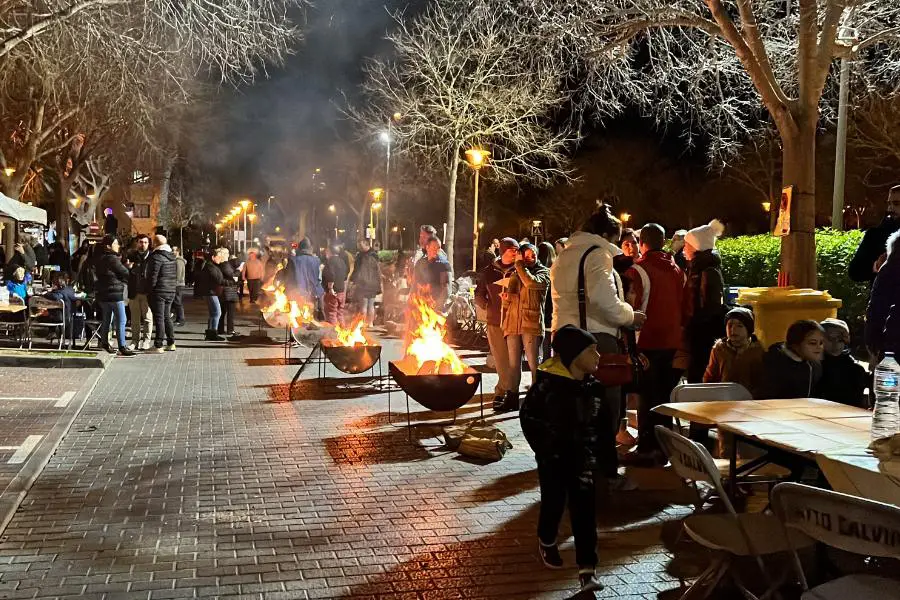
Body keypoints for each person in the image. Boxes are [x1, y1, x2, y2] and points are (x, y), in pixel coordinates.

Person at [550, 206, 646, 491]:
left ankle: (576, 468)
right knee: (606, 408)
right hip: (595, 340)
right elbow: (606, 302)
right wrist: (631, 315)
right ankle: (606, 474)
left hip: (566, 338)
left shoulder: (565, 254)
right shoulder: (597, 254)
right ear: (606, 235)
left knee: (575, 409)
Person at [519, 325, 605, 594]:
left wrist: (604, 459)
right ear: (574, 355)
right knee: (554, 503)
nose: (599, 356)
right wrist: (546, 448)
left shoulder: (595, 388)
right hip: (554, 460)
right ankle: (546, 539)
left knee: (585, 513)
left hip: (583, 461)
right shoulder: (547, 386)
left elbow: (602, 426)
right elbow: (528, 418)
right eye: (592, 350)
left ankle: (587, 568)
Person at [621, 224, 684, 463]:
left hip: (646, 340)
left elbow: (630, 307)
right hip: (672, 341)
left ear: (643, 242)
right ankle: (665, 446)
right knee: (664, 396)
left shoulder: (638, 271)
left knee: (647, 397)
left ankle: (648, 449)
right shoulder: (677, 269)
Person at [499, 243, 551, 412]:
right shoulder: (515, 273)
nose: (530, 258)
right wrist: (506, 298)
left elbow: (531, 284)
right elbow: (511, 299)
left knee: (534, 364)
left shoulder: (543, 273)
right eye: (525, 255)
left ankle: (537, 400)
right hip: (513, 324)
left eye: (532, 255)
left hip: (531, 323)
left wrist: (520, 265)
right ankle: (512, 398)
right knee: (513, 364)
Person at [475, 238, 518, 408]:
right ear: (503, 252)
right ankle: (501, 392)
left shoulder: (519, 270)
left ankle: (509, 391)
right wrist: (488, 306)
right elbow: (479, 293)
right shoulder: (489, 272)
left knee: (513, 360)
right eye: (511, 250)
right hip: (495, 322)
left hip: (515, 321)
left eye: (516, 250)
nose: (515, 253)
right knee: (501, 359)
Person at [682, 219, 726, 383]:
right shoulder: (699, 268)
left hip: (703, 334)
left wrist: (694, 325)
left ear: (696, 246)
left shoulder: (707, 271)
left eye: (687, 244)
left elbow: (709, 306)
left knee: (699, 371)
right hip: (698, 331)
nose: (684, 248)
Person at [703, 307, 765, 396]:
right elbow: (710, 377)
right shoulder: (719, 349)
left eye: (739, 326)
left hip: (750, 401)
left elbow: (762, 382)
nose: (733, 330)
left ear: (748, 329)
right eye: (730, 325)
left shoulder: (758, 350)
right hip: (724, 399)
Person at [93, 235, 135, 356]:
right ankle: (122, 346)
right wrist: (129, 269)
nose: (118, 246)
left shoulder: (99, 258)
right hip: (114, 292)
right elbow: (124, 272)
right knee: (122, 319)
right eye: (115, 243)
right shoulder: (112, 258)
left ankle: (104, 342)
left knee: (107, 318)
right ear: (108, 246)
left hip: (103, 293)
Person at [760, 320, 825, 399]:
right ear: (795, 345)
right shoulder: (775, 364)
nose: (819, 347)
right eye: (812, 343)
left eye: (821, 343)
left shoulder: (815, 365)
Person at [849, 185, 900, 284]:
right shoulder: (875, 235)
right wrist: (877, 265)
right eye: (889, 204)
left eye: (897, 204)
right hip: (885, 297)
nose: (890, 208)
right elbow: (854, 272)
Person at [817, 318, 869, 408]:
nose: (835, 344)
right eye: (830, 339)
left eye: (840, 339)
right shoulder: (813, 366)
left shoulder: (855, 370)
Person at [866, 230, 900, 359]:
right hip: (893, 341)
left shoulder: (889, 267)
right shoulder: (890, 268)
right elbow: (877, 307)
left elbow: (876, 307)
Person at [146, 234, 178, 353]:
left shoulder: (156, 257)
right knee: (166, 317)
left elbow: (153, 276)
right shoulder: (172, 256)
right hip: (170, 290)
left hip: (159, 290)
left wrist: (150, 290)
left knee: (159, 318)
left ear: (155, 243)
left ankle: (158, 345)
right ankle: (171, 342)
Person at [126, 235, 153, 350]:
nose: (143, 244)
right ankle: (134, 341)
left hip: (147, 292)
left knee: (147, 317)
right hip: (134, 292)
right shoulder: (131, 256)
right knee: (135, 319)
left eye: (145, 242)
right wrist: (128, 268)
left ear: (149, 244)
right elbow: (125, 272)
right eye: (141, 242)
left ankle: (146, 340)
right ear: (137, 243)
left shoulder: (152, 257)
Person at [194, 249, 227, 341]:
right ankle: (213, 333)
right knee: (217, 312)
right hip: (210, 292)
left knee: (213, 313)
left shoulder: (212, 265)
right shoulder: (210, 267)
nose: (220, 259)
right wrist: (230, 282)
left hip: (210, 292)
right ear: (213, 257)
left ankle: (210, 333)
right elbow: (217, 279)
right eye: (219, 257)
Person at [413, 236, 452, 310]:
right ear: (427, 247)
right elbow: (414, 284)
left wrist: (437, 306)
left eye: (439, 248)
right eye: (434, 247)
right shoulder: (420, 263)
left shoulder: (443, 264)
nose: (436, 250)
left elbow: (446, 289)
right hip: (422, 304)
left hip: (438, 305)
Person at [350, 239, 382, 327]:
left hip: (363, 284)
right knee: (371, 305)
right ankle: (370, 323)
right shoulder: (375, 255)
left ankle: (363, 323)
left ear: (366, 244)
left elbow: (357, 271)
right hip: (373, 284)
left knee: (364, 305)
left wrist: (353, 281)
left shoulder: (361, 256)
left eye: (361, 245)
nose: (359, 247)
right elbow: (378, 271)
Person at [286, 238, 323, 308]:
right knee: (309, 315)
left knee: (297, 315)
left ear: (299, 248)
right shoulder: (317, 261)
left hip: (297, 294)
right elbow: (319, 279)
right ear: (309, 248)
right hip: (312, 294)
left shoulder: (293, 260)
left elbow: (288, 277)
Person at [537, 241, 557, 362]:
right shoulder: (556, 269)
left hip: (541, 307)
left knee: (543, 340)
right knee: (550, 338)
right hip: (553, 307)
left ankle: (543, 361)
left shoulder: (539, 271)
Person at [322, 243, 349, 326]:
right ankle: (343, 332)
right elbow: (345, 275)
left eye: (327, 250)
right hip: (341, 290)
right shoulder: (342, 261)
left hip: (333, 292)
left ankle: (333, 333)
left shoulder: (330, 261)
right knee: (340, 313)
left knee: (331, 313)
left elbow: (330, 275)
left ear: (330, 251)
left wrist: (330, 288)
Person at [218, 251, 241, 337]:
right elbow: (233, 275)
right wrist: (238, 271)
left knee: (223, 311)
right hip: (229, 291)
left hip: (226, 291)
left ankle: (220, 329)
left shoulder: (225, 265)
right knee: (230, 312)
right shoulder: (225, 265)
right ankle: (230, 330)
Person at [172, 247, 187, 326]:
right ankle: (178, 318)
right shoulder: (176, 260)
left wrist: (176, 282)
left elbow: (179, 273)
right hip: (177, 283)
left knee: (178, 302)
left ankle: (181, 319)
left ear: (177, 251)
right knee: (176, 301)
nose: (172, 251)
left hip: (178, 284)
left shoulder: (179, 261)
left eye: (173, 250)